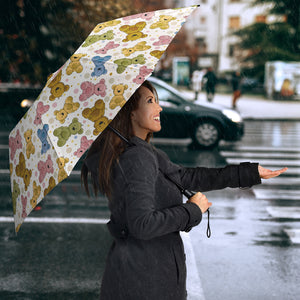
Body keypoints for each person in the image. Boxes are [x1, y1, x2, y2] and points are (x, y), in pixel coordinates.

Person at [81, 80, 287, 300]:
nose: (159, 108)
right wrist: (192, 210)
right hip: (145, 282)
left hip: (143, 276)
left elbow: (187, 177)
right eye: (150, 101)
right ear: (130, 113)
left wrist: (249, 173)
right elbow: (142, 225)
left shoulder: (142, 152)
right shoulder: (137, 158)